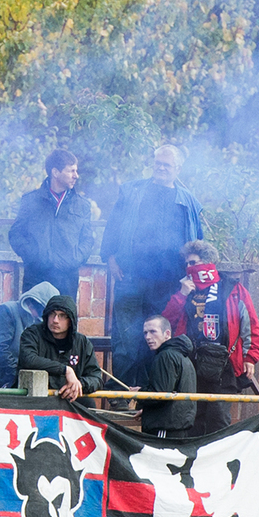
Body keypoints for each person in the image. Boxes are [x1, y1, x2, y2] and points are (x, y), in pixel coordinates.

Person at [100, 144, 203, 375]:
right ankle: (123, 391)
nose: (161, 168)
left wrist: (192, 276)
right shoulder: (132, 191)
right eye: (158, 163)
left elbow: (197, 243)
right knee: (126, 338)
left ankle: (155, 389)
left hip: (169, 285)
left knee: (160, 339)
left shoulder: (189, 202)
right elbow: (112, 227)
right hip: (130, 278)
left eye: (167, 165)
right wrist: (110, 258)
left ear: (178, 169)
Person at [160, 240, 259, 435]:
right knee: (192, 420)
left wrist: (250, 357)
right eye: (187, 264)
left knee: (218, 419)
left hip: (223, 364)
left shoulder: (232, 288)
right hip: (190, 364)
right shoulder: (184, 289)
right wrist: (181, 294)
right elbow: (166, 323)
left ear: (207, 262)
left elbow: (250, 323)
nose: (189, 267)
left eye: (193, 262)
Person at [8, 148, 96, 301]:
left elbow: (88, 239)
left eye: (76, 171)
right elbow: (16, 234)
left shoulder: (82, 205)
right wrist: (34, 256)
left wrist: (74, 259)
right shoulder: (30, 200)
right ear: (55, 172)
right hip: (35, 278)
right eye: (71, 171)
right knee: (33, 317)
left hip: (67, 280)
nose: (76, 175)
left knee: (64, 317)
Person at [19, 294, 103, 401]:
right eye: (52, 314)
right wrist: (65, 370)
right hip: (38, 399)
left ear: (70, 320)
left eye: (62, 316)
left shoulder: (82, 343)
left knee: (88, 403)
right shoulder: (32, 334)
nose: (55, 320)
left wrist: (77, 385)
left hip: (71, 400)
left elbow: (96, 378)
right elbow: (29, 360)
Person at [0, 282, 59, 389]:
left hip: (30, 384)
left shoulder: (41, 323)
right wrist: (18, 374)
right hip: (1, 383)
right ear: (32, 303)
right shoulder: (7, 311)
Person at [137, 315, 196, 438]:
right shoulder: (181, 355)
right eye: (145, 333)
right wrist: (148, 412)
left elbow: (160, 395)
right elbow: (170, 393)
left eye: (153, 331)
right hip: (177, 427)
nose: (148, 337)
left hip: (165, 428)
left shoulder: (165, 356)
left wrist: (139, 393)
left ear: (167, 334)